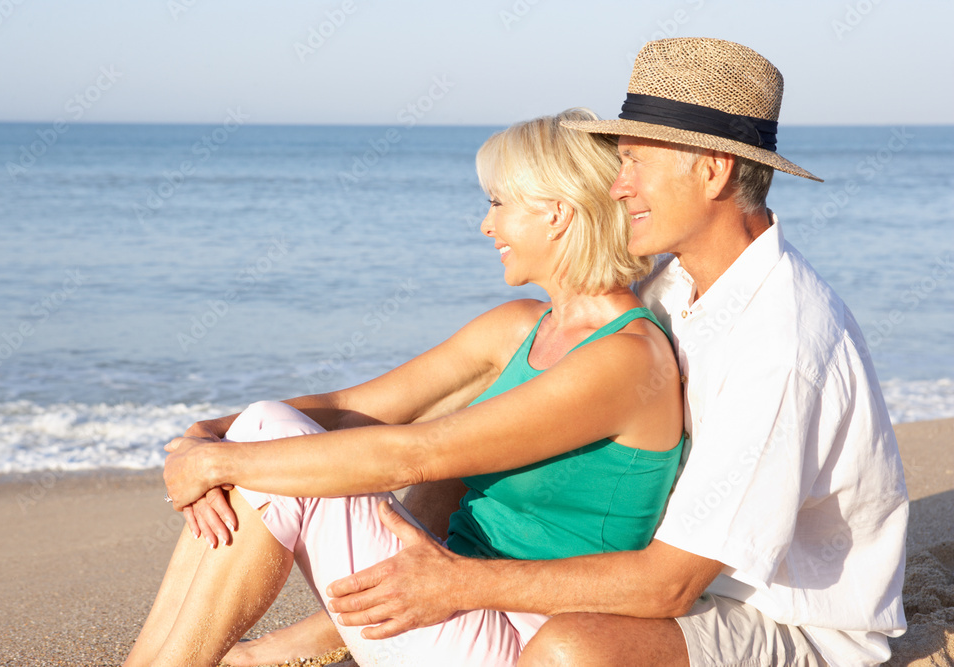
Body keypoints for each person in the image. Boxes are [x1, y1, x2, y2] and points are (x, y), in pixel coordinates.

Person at [321, 38, 909, 666]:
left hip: (782, 618)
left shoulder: (781, 345)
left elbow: (669, 583)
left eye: (633, 161)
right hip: (691, 580)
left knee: (572, 649)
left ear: (712, 171)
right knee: (475, 444)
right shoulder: (675, 282)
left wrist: (459, 584)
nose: (617, 186)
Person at [123, 108, 687, 667]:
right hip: (442, 601)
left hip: (521, 638)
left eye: (497, 204)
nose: (485, 226)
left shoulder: (625, 360)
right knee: (260, 428)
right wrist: (210, 436)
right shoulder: (520, 327)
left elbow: (419, 455)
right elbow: (349, 410)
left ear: (557, 213)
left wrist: (219, 465)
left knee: (264, 436)